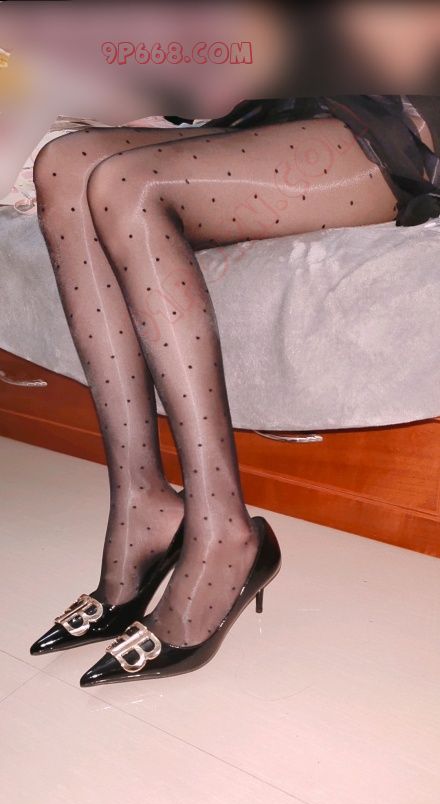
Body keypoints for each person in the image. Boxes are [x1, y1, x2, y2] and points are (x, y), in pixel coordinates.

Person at [28, 93, 440, 686]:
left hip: (402, 119)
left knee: (129, 187)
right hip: (308, 101)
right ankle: (143, 503)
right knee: (62, 164)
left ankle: (222, 531)